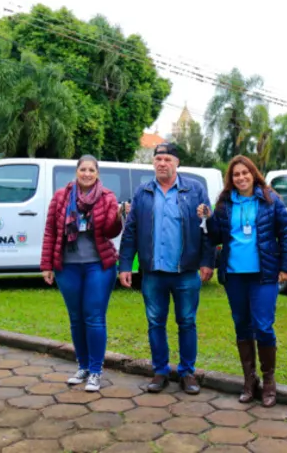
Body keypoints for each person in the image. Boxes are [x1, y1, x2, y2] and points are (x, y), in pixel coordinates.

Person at [118, 143, 215, 395]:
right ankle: (160, 371)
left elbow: (207, 229)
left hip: (186, 272)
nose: (162, 163)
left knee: (187, 322)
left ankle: (187, 373)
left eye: (167, 159)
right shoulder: (143, 192)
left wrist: (207, 261)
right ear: (154, 163)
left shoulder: (195, 190)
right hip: (153, 273)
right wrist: (126, 265)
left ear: (177, 162)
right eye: (158, 159)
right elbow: (131, 231)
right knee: (155, 322)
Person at [203, 155, 287, 407]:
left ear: (253, 174)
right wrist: (209, 218)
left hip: (263, 274)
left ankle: (269, 382)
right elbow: (216, 236)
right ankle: (249, 380)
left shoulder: (270, 199)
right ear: (230, 179)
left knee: (263, 326)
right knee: (242, 326)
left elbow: (285, 233)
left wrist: (286, 267)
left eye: (245, 173)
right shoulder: (224, 203)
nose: (241, 178)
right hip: (234, 275)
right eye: (236, 174)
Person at [40, 155, 123, 392]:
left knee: (94, 317)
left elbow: (110, 230)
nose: (87, 174)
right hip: (67, 266)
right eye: (83, 169)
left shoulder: (107, 197)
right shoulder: (61, 197)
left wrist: (118, 216)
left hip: (98, 265)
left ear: (98, 174)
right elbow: (50, 232)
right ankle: (83, 366)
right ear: (76, 171)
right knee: (76, 318)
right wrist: (46, 264)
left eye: (91, 170)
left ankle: (96, 371)